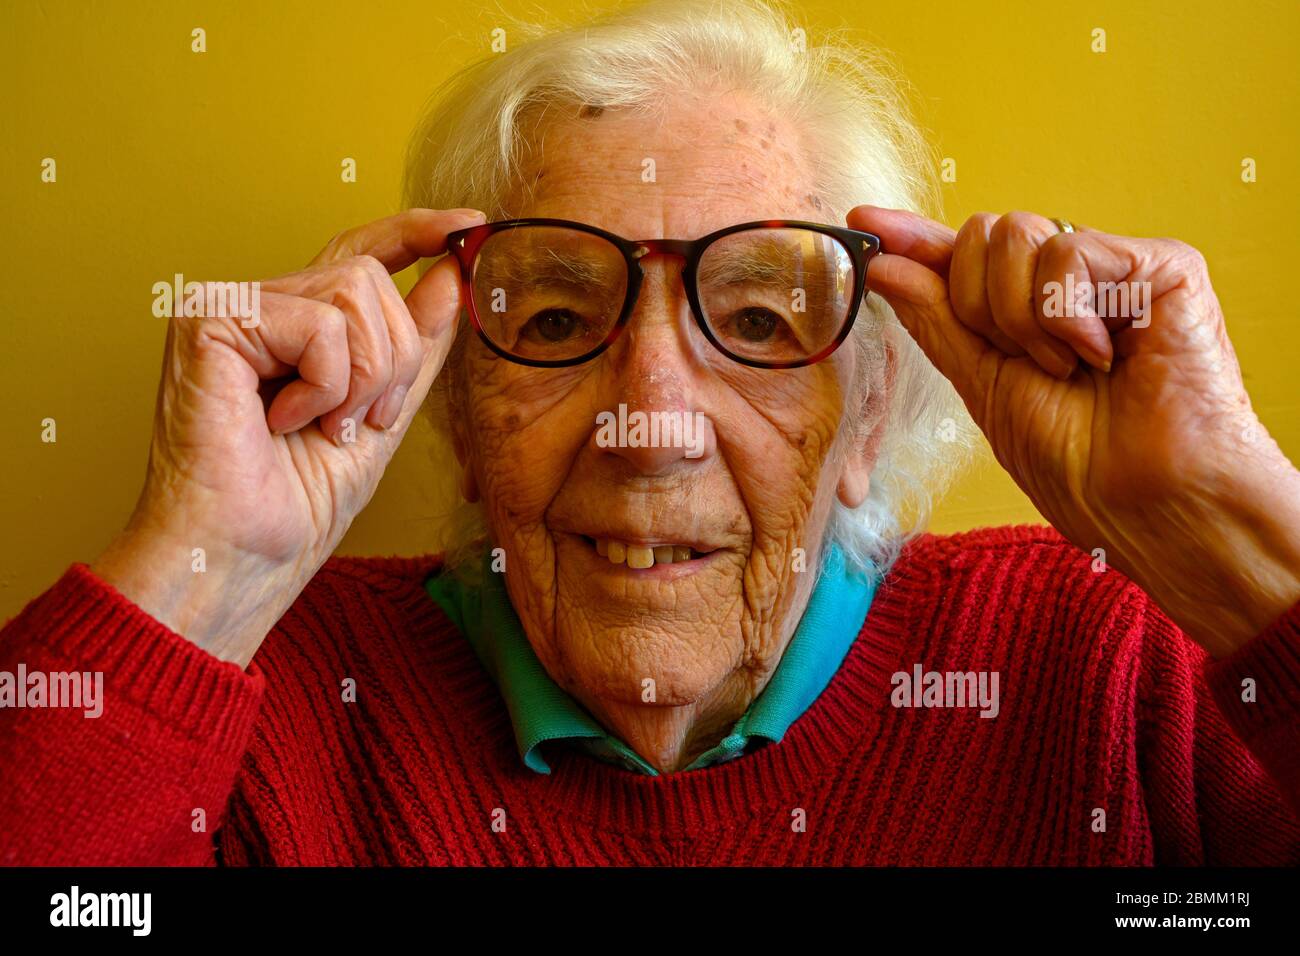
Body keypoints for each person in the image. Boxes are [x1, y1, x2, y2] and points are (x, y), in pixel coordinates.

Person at [2, 0, 1297, 865]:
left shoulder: (1106, 670)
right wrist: (200, 582)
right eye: (559, 318)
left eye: (758, 317)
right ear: (452, 401)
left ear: (872, 414)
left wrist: (1234, 544)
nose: (651, 422)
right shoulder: (267, 699)